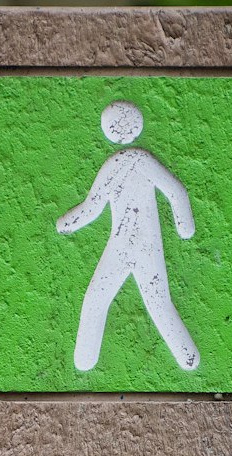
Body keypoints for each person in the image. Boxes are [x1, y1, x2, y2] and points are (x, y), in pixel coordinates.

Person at [56, 100, 200, 373]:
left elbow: (91, 207)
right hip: (139, 246)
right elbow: (176, 192)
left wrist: (66, 223)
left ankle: (85, 360)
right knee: (155, 303)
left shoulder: (117, 164)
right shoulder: (137, 161)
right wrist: (184, 227)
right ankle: (187, 357)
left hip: (126, 246)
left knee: (99, 299)